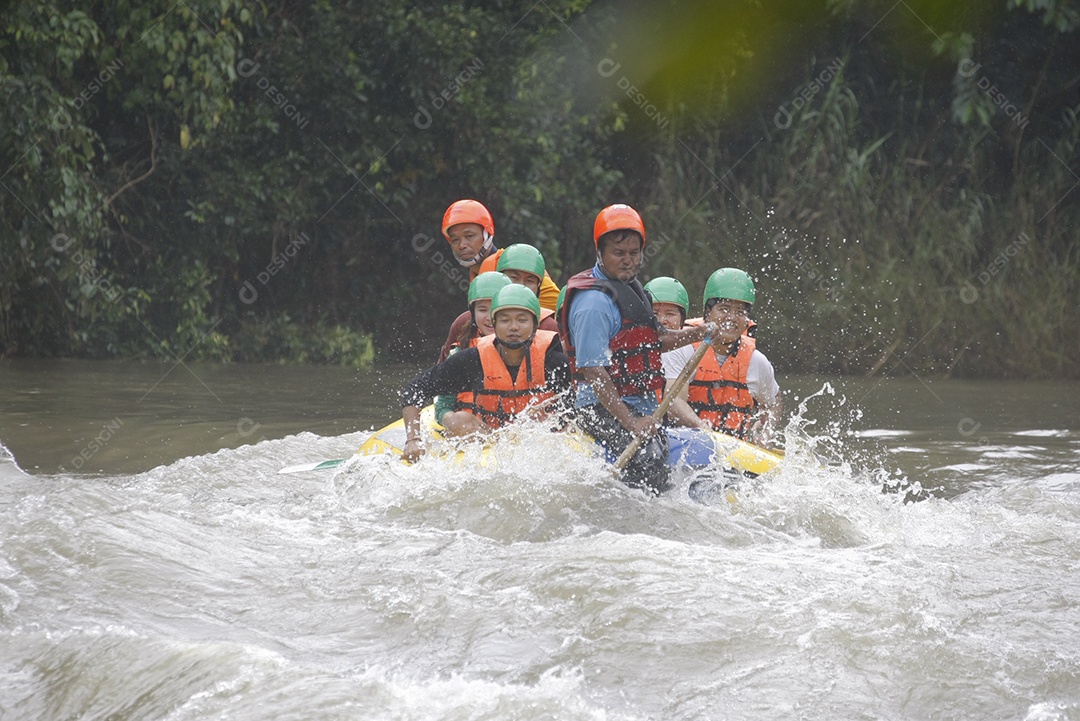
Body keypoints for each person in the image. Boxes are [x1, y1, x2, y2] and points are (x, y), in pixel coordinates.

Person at [559, 204, 716, 495]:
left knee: (664, 455)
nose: (628, 261)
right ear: (600, 252)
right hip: (598, 408)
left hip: (637, 403)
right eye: (619, 254)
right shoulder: (593, 305)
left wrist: (698, 333)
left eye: (634, 253)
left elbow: (657, 340)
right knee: (648, 459)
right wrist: (631, 422)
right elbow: (593, 371)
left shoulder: (631, 287)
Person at [401, 284, 572, 462]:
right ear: (494, 324)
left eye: (522, 320)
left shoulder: (554, 363)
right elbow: (415, 389)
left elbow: (579, 406)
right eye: (505, 320)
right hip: (488, 439)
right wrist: (413, 440)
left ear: (535, 325)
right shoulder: (472, 360)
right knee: (459, 421)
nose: (513, 327)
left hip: (540, 441)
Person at [686, 268, 781, 447]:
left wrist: (765, 434)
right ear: (707, 312)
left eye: (740, 312)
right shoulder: (684, 350)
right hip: (687, 446)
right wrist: (706, 435)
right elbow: (673, 401)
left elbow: (773, 403)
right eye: (724, 309)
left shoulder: (757, 362)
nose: (732, 318)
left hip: (734, 455)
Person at [437, 244, 560, 362]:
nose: (519, 286)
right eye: (514, 278)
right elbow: (438, 375)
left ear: (538, 288)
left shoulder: (549, 326)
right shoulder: (465, 322)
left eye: (529, 280)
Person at [441, 199, 560, 310]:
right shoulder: (477, 274)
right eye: (455, 240)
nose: (462, 245)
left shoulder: (516, 259)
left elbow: (558, 307)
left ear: (487, 234)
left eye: (469, 236)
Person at [433, 271, 513, 424]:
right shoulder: (459, 355)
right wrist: (452, 421)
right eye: (482, 310)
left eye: (495, 309)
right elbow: (443, 406)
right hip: (470, 434)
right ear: (473, 314)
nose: (489, 317)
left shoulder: (528, 353)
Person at [643, 276, 705, 430]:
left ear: (682, 320)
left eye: (670, 314)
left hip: (668, 432)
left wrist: (705, 432)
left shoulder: (682, 349)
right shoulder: (627, 344)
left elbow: (672, 405)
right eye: (655, 313)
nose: (662, 320)